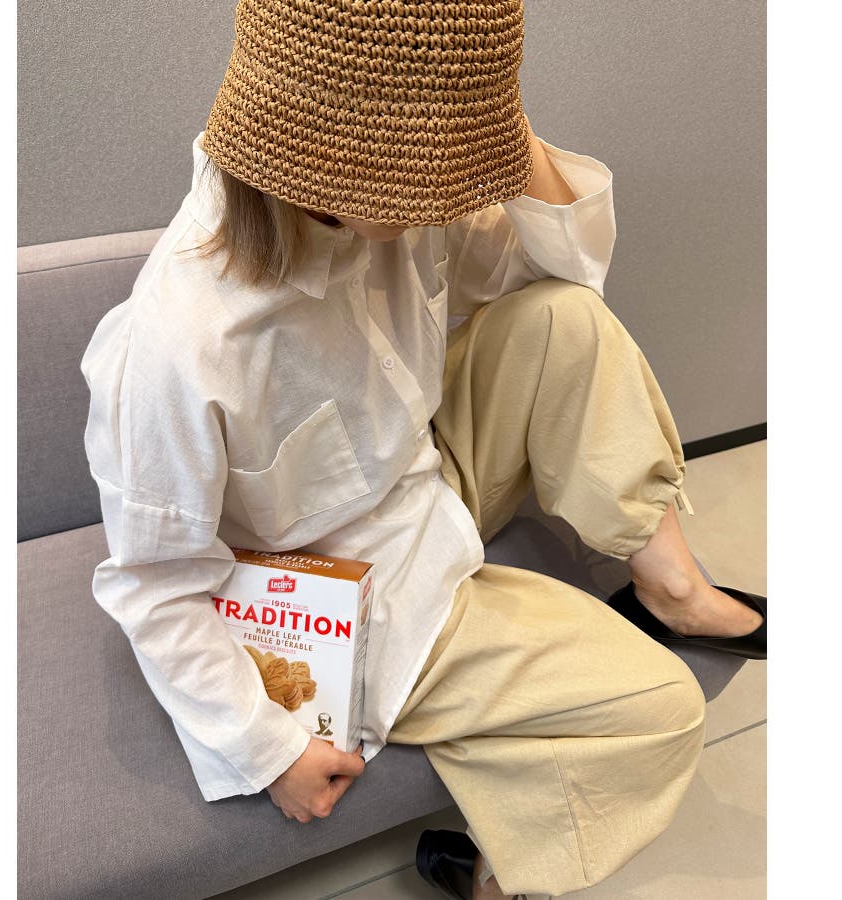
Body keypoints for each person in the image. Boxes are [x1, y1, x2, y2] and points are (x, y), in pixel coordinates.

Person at [80, 3, 766, 898]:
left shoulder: (390, 210)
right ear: (327, 153)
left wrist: (480, 114)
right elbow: (153, 583)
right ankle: (492, 877)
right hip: (362, 584)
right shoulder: (180, 340)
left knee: (564, 320)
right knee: (662, 711)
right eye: (425, 168)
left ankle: (670, 585)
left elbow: (569, 272)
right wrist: (268, 748)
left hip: (426, 470)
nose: (448, 196)